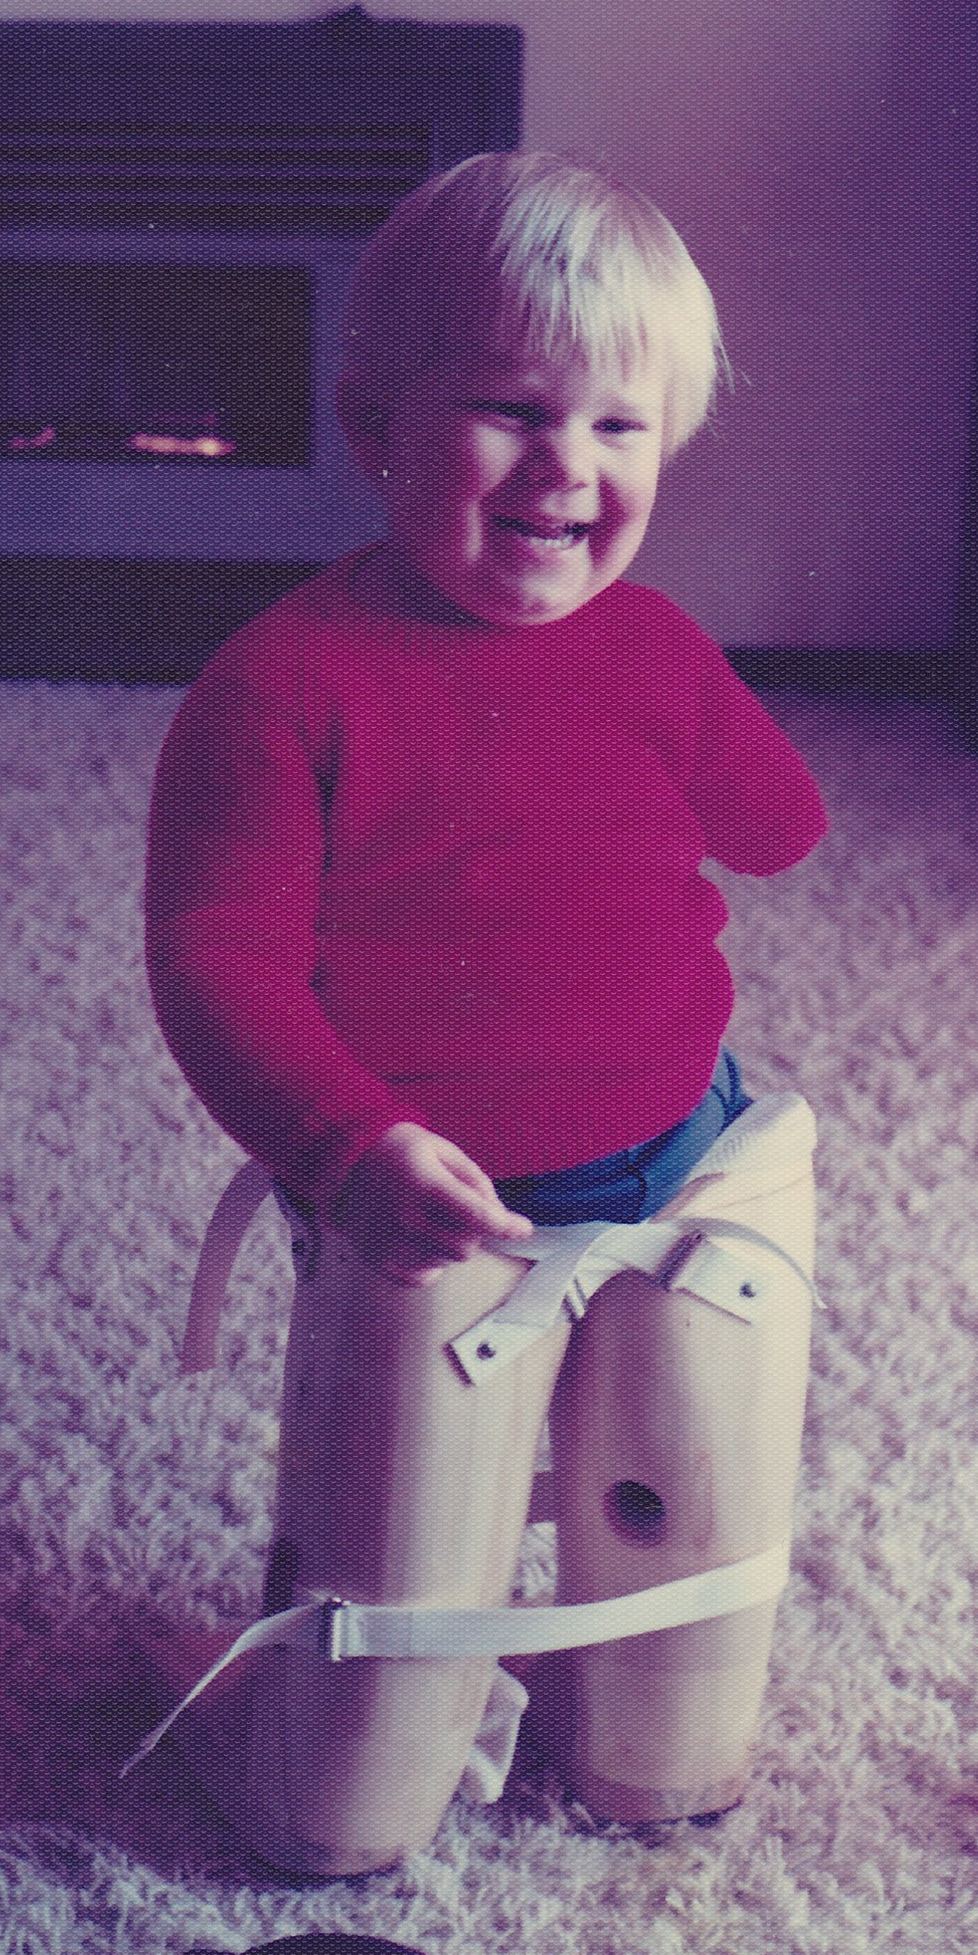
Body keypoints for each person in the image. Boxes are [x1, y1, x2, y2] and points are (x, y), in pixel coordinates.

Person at [145, 150, 827, 1277]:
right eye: (515, 410)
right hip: (429, 1197)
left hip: (687, 1130)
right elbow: (216, 967)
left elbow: (782, 831)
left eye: (621, 426)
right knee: (412, 1456)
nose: (566, 464)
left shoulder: (659, 642)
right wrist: (347, 1151)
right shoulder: (278, 684)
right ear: (377, 427)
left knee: (679, 1449)